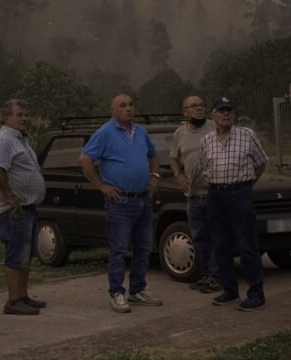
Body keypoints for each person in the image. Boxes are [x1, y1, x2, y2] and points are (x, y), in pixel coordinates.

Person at [78, 94, 163, 313]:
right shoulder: (105, 132)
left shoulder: (141, 131)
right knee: (119, 250)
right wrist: (101, 186)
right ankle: (117, 293)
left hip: (143, 199)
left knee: (143, 248)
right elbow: (84, 159)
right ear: (113, 111)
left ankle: (137, 291)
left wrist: (154, 177)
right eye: (122, 105)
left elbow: (153, 156)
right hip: (120, 201)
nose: (128, 108)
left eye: (131, 104)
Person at [200, 96, 269, 311]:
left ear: (234, 114)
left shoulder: (247, 135)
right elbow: (205, 168)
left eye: (229, 110)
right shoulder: (207, 140)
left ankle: (256, 294)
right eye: (221, 110)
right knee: (220, 244)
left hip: (240, 193)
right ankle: (230, 291)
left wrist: (245, 186)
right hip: (215, 194)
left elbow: (261, 163)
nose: (226, 114)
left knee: (247, 244)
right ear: (213, 115)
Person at [0, 99, 47, 315]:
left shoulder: (20, 140)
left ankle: (22, 296)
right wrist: (10, 197)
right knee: (16, 253)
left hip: (28, 207)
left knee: (26, 253)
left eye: (26, 115)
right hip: (14, 210)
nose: (25, 118)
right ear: (6, 117)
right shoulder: (3, 140)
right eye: (19, 115)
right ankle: (13, 301)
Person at [168, 94, 220, 293]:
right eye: (193, 106)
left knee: (217, 237)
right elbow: (173, 158)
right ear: (185, 112)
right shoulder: (179, 133)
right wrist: (178, 175)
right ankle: (206, 276)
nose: (198, 108)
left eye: (201, 105)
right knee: (199, 238)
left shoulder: (215, 127)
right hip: (193, 195)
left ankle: (216, 277)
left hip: (214, 192)